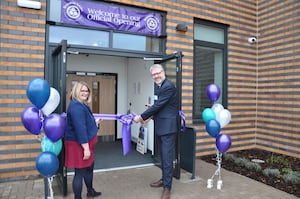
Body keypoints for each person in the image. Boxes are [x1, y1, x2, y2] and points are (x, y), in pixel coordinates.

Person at [133, 64, 180, 199]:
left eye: (158, 73)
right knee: (164, 157)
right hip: (161, 126)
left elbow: (159, 105)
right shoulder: (161, 86)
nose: (156, 76)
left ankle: (167, 188)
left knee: (167, 158)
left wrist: (141, 117)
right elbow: (162, 107)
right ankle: (164, 180)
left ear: (163, 72)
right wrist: (151, 116)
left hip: (168, 128)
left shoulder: (168, 86)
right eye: (153, 75)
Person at [64, 81, 102, 199]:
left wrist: (95, 123)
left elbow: (84, 123)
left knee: (89, 167)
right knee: (79, 172)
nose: (85, 93)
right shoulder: (76, 107)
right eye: (82, 91)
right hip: (78, 144)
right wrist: (86, 149)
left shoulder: (81, 105)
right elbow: (80, 128)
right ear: (76, 91)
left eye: (86, 91)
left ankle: (90, 191)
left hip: (84, 143)